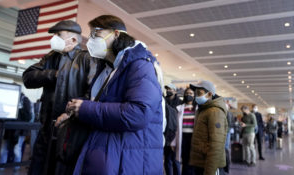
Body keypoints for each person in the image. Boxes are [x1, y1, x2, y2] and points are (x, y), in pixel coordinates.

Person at [56, 15, 164, 175]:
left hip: (128, 157)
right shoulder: (109, 68)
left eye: (96, 34)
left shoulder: (140, 64)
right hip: (109, 152)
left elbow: (138, 113)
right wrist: (76, 109)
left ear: (116, 34)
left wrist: (85, 109)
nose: (91, 40)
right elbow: (106, 101)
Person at [22, 20, 98, 175]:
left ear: (74, 40)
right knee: (38, 168)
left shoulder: (86, 59)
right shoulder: (50, 58)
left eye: (58, 35)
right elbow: (28, 77)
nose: (54, 38)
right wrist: (54, 74)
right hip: (46, 130)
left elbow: (92, 94)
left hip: (71, 132)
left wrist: (70, 114)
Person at [189, 80, 228, 175]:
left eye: (199, 93)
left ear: (209, 94)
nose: (196, 96)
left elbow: (216, 144)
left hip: (209, 165)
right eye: (196, 93)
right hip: (201, 163)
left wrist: (210, 171)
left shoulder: (215, 112)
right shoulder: (203, 110)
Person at [0, 92, 32, 171]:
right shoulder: (9, 100)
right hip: (9, 129)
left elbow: (29, 116)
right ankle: (1, 167)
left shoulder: (24, 100)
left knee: (16, 150)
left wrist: (19, 109)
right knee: (3, 149)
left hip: (19, 130)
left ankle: (16, 169)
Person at [176, 88, 196, 175]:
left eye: (191, 93)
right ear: (184, 95)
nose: (189, 95)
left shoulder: (197, 108)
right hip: (183, 136)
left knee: (193, 159)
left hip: (193, 137)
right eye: (187, 93)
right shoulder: (179, 108)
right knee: (185, 159)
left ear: (194, 95)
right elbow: (176, 126)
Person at [164, 83, 182, 175]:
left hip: (176, 134)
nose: (168, 91)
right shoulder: (164, 101)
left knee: (176, 160)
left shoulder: (180, 103)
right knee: (167, 160)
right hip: (166, 134)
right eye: (167, 89)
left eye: (170, 89)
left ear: (175, 91)